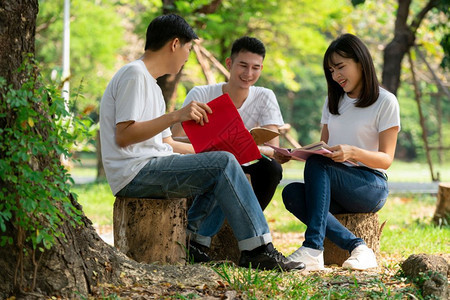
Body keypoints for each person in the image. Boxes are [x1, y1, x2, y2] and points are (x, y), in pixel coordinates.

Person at [99, 14, 304, 272]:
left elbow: (168, 144)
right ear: (175, 44)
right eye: (188, 48)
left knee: (225, 162)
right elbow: (124, 135)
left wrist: (219, 151)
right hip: (134, 173)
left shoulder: (151, 83)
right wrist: (175, 116)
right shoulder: (134, 75)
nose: (187, 56)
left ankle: (194, 242)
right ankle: (257, 249)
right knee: (223, 163)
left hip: (153, 164)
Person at [282, 33, 400, 271]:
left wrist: (353, 152)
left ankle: (313, 248)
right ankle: (358, 247)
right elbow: (323, 147)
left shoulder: (385, 101)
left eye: (340, 67)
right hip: (333, 183)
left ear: (360, 61)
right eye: (331, 70)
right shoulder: (332, 102)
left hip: (369, 185)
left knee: (319, 166)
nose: (335, 76)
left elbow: (386, 159)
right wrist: (295, 153)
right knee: (292, 193)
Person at [172, 36, 285, 211]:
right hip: (207, 164)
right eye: (243, 65)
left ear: (261, 69)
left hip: (246, 165)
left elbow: (273, 150)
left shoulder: (265, 96)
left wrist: (244, 145)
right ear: (229, 63)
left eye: (255, 68)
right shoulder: (201, 94)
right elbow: (175, 140)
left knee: (272, 168)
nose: (248, 74)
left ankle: (250, 218)